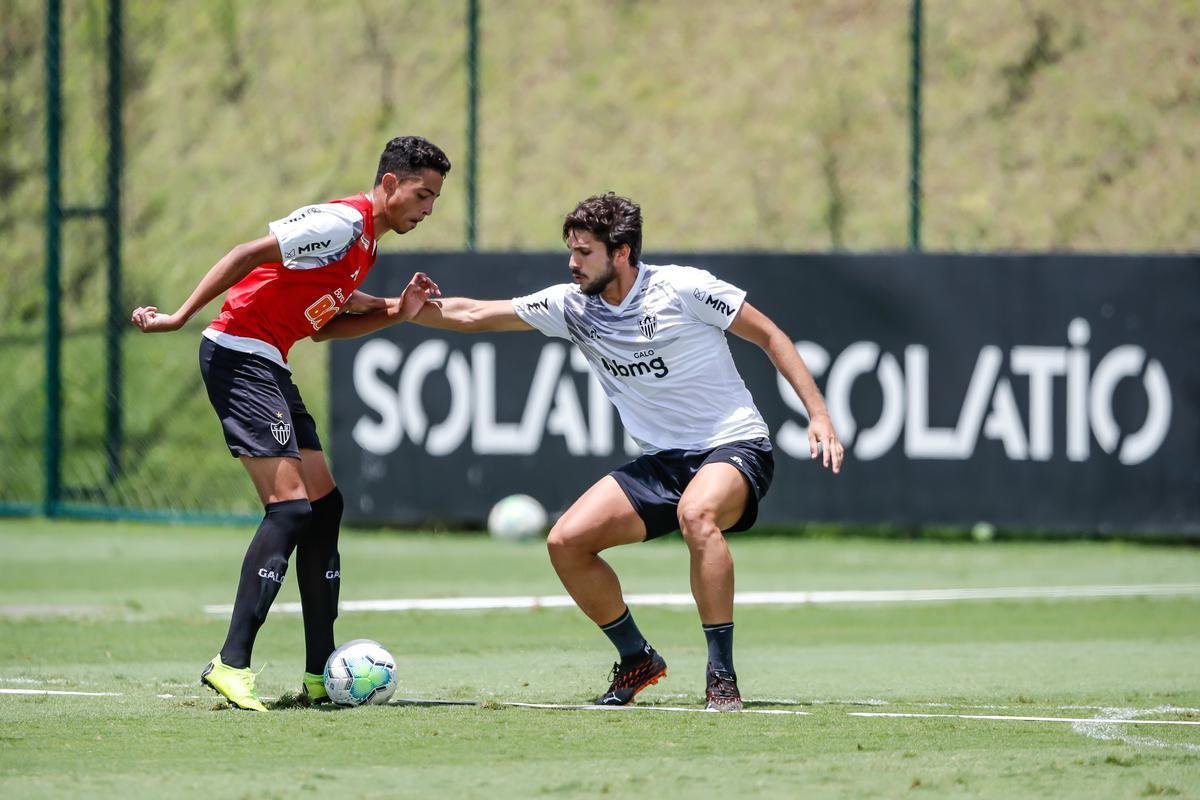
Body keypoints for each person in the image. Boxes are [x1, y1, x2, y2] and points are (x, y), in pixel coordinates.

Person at [318, 192, 844, 711]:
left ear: (621, 253)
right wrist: (398, 309)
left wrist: (817, 413)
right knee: (566, 541)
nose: (572, 263)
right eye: (570, 250)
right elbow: (475, 313)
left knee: (697, 513)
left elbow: (771, 335)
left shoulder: (685, 289)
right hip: (662, 461)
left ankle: (721, 674)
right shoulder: (572, 307)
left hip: (733, 444)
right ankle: (636, 657)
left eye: (584, 252)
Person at [129, 136, 449, 712]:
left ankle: (320, 674)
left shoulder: (366, 245)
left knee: (324, 507)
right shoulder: (341, 224)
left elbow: (324, 325)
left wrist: (395, 312)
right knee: (292, 508)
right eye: (422, 195)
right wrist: (178, 316)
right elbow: (247, 254)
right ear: (390, 184)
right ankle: (231, 663)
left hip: (268, 360)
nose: (427, 210)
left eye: (434, 200)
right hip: (238, 353)